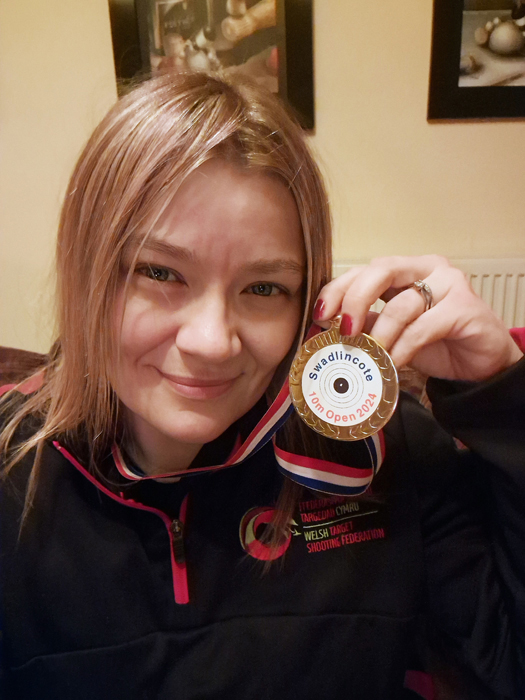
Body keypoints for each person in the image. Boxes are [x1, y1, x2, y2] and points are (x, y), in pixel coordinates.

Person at [0, 70, 524, 700]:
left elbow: (510, 661)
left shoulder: (381, 448)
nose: (212, 340)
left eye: (264, 288)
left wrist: (501, 395)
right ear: (88, 269)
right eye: (160, 271)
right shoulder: (12, 483)